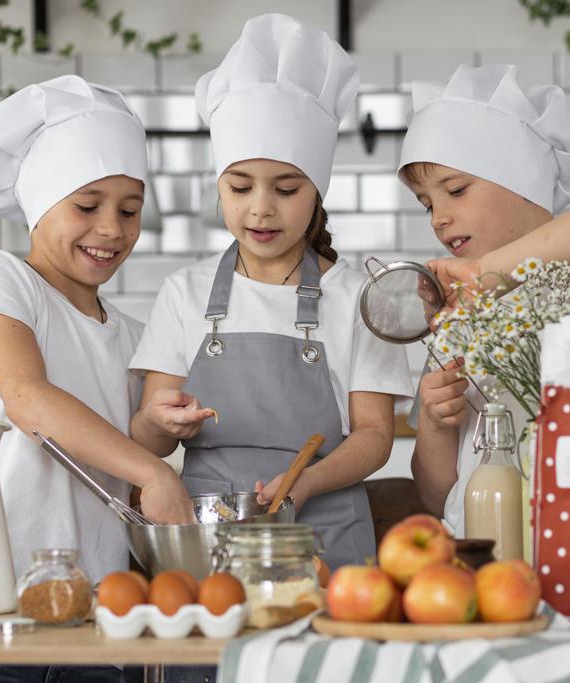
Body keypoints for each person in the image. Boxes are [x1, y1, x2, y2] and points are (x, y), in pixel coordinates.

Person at [0, 75, 192, 683]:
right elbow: (28, 399)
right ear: (40, 206)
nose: (112, 228)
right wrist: (153, 473)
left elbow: (119, 447)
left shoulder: (131, 333)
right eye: (87, 207)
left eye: (129, 210)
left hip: (91, 619)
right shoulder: (3, 282)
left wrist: (156, 429)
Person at [129, 13, 414, 571]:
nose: (260, 209)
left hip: (327, 541)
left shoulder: (360, 299)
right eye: (240, 187)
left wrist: (307, 482)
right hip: (208, 546)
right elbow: (148, 440)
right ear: (219, 187)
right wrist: (159, 423)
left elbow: (376, 436)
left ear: (317, 192)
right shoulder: (184, 293)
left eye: (285, 190)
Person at [399, 64, 570, 538]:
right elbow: (437, 498)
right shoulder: (459, 311)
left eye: (456, 190)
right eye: (427, 204)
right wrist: (436, 422)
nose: (438, 218)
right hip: (485, 555)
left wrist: (488, 273)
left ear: (523, 181)